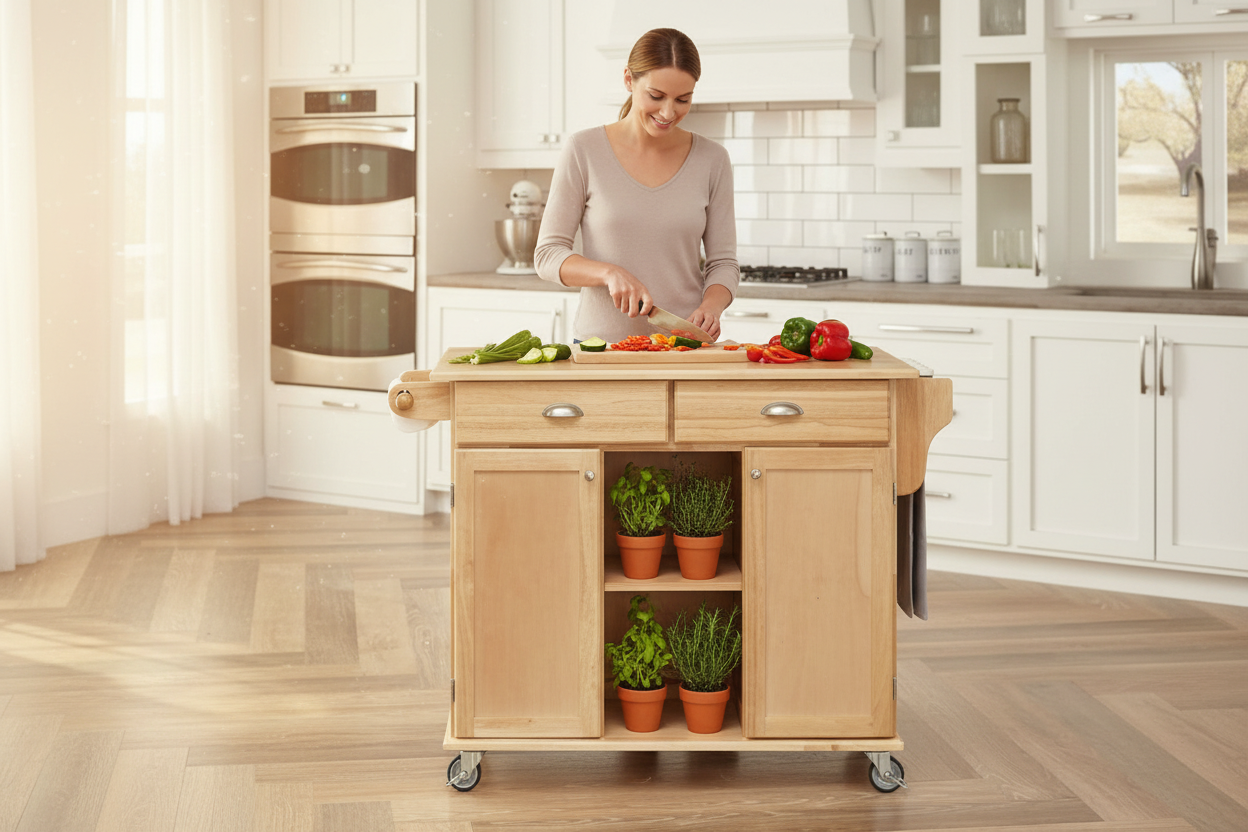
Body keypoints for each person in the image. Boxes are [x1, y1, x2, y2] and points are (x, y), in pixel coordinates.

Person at [534, 27, 738, 343]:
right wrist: (608, 273)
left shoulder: (713, 159)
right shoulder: (584, 150)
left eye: (683, 99)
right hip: (603, 349)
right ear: (629, 80)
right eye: (656, 96)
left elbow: (724, 263)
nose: (669, 112)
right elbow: (548, 255)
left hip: (683, 346)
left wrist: (712, 306)